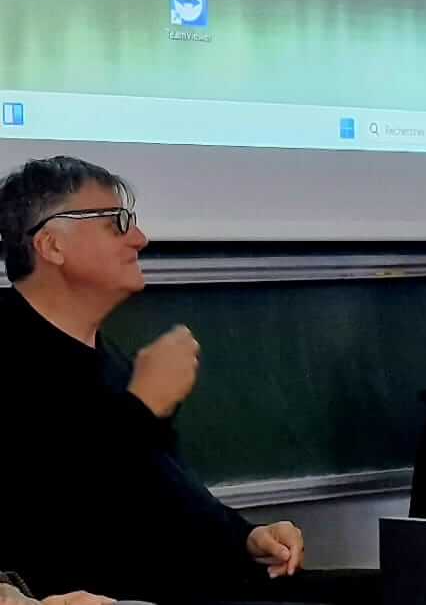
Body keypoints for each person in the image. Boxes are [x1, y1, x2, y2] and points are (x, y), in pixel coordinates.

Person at [0, 157, 371, 604]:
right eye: (116, 224)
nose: (139, 239)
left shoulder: (112, 360)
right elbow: (57, 513)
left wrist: (245, 536)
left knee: (421, 582)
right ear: (51, 244)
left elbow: (165, 494)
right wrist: (141, 407)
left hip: (215, 580)